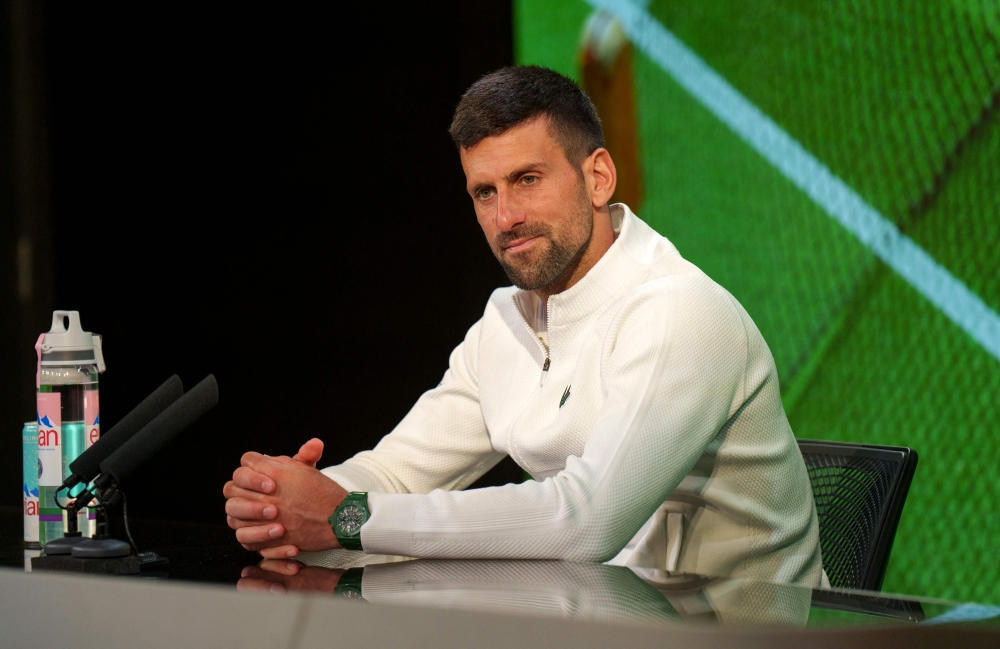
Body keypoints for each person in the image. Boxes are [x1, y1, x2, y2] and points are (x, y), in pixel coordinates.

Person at [223, 66, 824, 585]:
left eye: (527, 180)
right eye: (484, 192)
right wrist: (288, 500)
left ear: (598, 178)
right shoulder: (504, 323)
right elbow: (396, 472)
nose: (506, 216)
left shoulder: (678, 311)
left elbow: (587, 520)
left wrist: (344, 517)